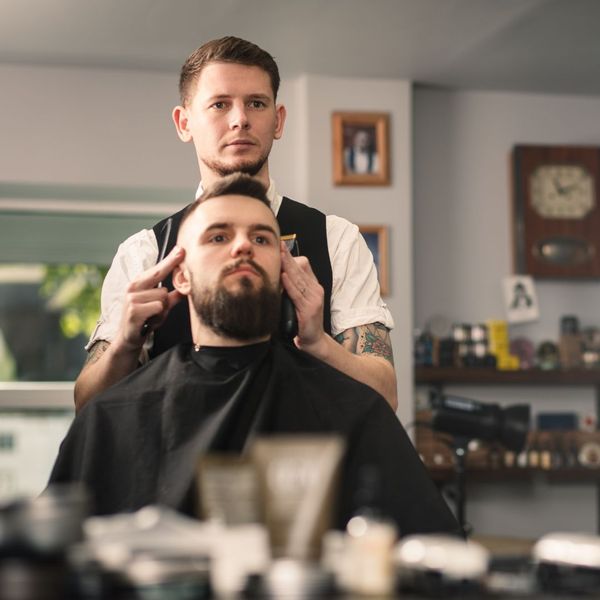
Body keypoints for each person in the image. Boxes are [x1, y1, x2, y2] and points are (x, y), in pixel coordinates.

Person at [50, 175, 459, 537]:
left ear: (283, 271)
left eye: (262, 238)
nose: (243, 245)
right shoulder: (114, 415)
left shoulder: (352, 410)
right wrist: (123, 342)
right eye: (218, 236)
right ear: (181, 275)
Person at [74, 36, 397, 412]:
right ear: (184, 122)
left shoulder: (336, 240)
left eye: (256, 103)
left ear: (277, 121)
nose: (240, 118)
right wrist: (126, 345)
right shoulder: (143, 254)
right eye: (219, 104)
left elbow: (385, 397)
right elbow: (87, 406)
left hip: (308, 463)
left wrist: (319, 344)